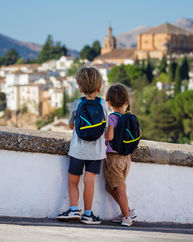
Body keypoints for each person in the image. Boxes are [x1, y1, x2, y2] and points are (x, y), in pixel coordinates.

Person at [56, 67, 108, 225]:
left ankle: (73, 209)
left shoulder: (76, 104)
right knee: (89, 181)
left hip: (78, 150)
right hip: (96, 151)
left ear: (79, 87)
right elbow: (105, 127)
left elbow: (72, 126)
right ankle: (88, 214)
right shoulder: (103, 104)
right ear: (99, 88)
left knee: (73, 180)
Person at [104, 84, 137, 227]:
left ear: (108, 103)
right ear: (126, 102)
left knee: (120, 188)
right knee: (109, 186)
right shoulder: (128, 117)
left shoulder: (112, 117)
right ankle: (128, 211)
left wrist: (103, 134)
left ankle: (126, 216)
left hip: (114, 158)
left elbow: (110, 137)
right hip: (126, 158)